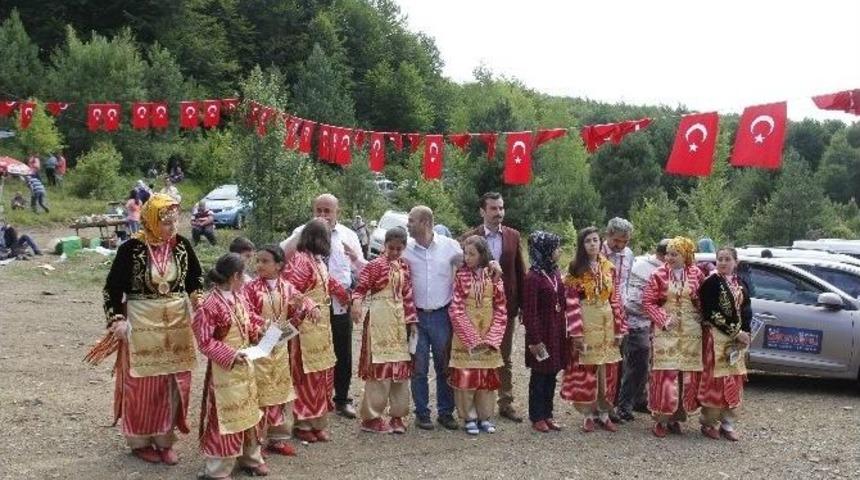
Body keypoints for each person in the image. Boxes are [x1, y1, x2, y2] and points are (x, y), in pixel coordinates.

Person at [99, 193, 203, 465]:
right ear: (152, 221)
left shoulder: (181, 245)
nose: (172, 228)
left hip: (176, 324)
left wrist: (199, 301)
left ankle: (165, 439)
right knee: (143, 383)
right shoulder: (130, 248)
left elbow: (195, 279)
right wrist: (116, 320)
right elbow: (112, 288)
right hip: (142, 323)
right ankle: (141, 440)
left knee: (173, 381)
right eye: (166, 222)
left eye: (174, 221)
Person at [281, 194, 366, 419]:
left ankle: (339, 399)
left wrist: (352, 298)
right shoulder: (302, 240)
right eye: (318, 210)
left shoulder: (348, 235)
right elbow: (281, 263)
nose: (322, 215)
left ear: (337, 212)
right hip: (308, 315)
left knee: (339, 354)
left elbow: (354, 273)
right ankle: (305, 411)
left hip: (336, 307)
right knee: (307, 362)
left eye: (327, 211)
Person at [193, 253, 268, 478]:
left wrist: (262, 328)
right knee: (224, 417)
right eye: (243, 273)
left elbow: (248, 320)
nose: (246, 278)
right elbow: (205, 341)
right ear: (235, 276)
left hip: (245, 365)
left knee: (249, 411)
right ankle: (218, 469)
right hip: (223, 371)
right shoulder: (209, 304)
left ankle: (251, 458)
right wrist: (230, 355)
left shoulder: (239, 296)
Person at [460, 192, 527, 423]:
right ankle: (473, 404)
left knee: (504, 357)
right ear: (482, 211)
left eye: (501, 208)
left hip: (504, 307)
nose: (499, 213)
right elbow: (462, 270)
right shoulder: (470, 237)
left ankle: (505, 402)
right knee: (476, 355)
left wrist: (523, 306)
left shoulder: (513, 236)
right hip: (476, 308)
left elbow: (520, 271)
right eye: (493, 209)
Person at [243, 245, 315, 457]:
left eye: (265, 261)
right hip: (259, 346)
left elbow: (300, 305)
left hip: (280, 347)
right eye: (258, 261)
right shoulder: (251, 288)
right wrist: (265, 326)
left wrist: (306, 307)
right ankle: (257, 441)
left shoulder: (287, 287)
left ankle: (278, 438)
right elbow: (247, 314)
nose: (259, 265)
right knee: (259, 395)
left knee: (280, 393)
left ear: (279, 265)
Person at [283, 218, 350, 443]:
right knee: (305, 378)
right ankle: (303, 423)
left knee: (322, 376)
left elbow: (328, 282)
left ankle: (318, 422)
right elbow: (291, 291)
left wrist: (345, 294)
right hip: (304, 330)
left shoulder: (318, 261)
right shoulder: (301, 261)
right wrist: (305, 306)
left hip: (321, 329)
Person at [350, 227, 417, 434]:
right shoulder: (374, 266)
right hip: (379, 321)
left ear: (404, 248)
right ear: (384, 245)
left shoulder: (404, 266)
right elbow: (359, 289)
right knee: (379, 369)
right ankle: (372, 417)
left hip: (399, 324)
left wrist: (412, 321)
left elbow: (408, 295)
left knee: (400, 371)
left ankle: (398, 416)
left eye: (399, 249)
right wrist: (356, 305)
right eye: (391, 248)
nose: (395, 252)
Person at [560, 227, 627, 433]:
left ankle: (605, 413)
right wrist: (576, 332)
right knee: (587, 369)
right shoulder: (574, 269)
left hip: (607, 321)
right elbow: (571, 303)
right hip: (586, 320)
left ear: (601, 242)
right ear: (582, 245)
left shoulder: (609, 267)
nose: (592, 244)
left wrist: (620, 328)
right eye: (588, 241)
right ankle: (588, 414)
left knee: (607, 369)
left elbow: (615, 299)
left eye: (595, 240)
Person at [403, 205, 463, 431]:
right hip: (415, 317)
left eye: (412, 220)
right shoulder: (405, 250)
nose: (408, 224)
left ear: (426, 223)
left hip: (441, 316)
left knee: (444, 365)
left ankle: (446, 413)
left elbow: (470, 267)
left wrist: (493, 265)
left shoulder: (450, 247)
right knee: (418, 367)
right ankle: (422, 413)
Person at [642, 236, 705, 438]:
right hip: (666, 330)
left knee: (685, 375)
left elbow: (705, 300)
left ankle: (677, 417)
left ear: (685, 255)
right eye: (668, 253)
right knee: (665, 374)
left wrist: (702, 314)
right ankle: (661, 418)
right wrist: (664, 319)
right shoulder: (658, 274)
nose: (669, 257)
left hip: (690, 331)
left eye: (674, 254)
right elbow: (648, 302)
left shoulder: (697, 274)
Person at [448, 235, 507, 435]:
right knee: (467, 376)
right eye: (465, 253)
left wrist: (493, 336)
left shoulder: (494, 276)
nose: (468, 257)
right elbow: (455, 308)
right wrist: (471, 337)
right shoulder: (461, 276)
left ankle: (485, 416)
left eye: (472, 254)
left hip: (488, 332)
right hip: (466, 336)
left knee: (486, 378)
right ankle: (468, 416)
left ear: (483, 255)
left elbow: (501, 307)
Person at [697, 246, 752, 441]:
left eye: (727, 259)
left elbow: (746, 310)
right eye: (720, 259)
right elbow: (710, 312)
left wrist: (746, 332)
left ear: (735, 262)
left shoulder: (741, 284)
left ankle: (728, 423)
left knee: (734, 380)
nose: (722, 262)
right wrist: (735, 332)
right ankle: (709, 422)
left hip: (736, 341)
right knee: (715, 381)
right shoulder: (711, 283)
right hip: (716, 338)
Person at [617, 239, 670, 421]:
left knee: (646, 363)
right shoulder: (643, 267)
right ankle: (624, 405)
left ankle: (640, 399)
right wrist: (654, 312)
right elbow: (631, 300)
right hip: (637, 322)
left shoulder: (665, 269)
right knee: (637, 363)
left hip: (655, 323)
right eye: (670, 255)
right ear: (664, 255)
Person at [521, 231, 567, 433]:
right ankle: (537, 415)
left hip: (556, 331)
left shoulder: (555, 272)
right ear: (545, 250)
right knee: (539, 375)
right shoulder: (533, 277)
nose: (559, 251)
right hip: (541, 333)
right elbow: (529, 312)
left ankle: (548, 414)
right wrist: (535, 339)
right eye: (556, 247)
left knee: (552, 374)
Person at [600, 217, 633, 424]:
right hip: (601, 313)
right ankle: (596, 407)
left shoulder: (629, 255)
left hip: (621, 314)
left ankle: (611, 406)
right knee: (600, 362)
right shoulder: (598, 252)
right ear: (608, 235)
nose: (620, 246)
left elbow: (626, 283)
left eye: (625, 241)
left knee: (618, 361)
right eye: (617, 241)